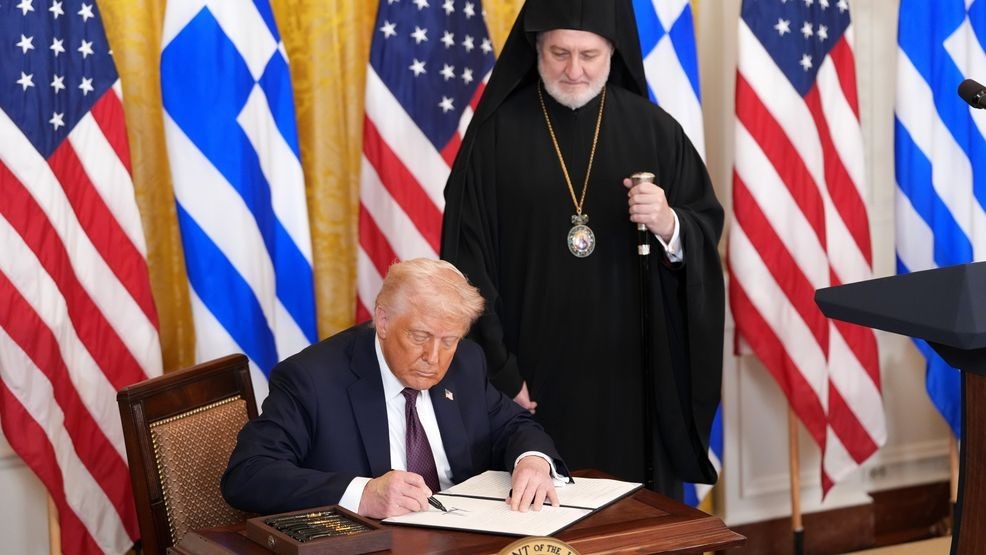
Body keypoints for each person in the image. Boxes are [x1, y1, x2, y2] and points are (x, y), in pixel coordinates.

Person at [440, 0, 724, 499]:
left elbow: (702, 229)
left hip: (633, 382)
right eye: (559, 53)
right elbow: (467, 264)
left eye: (589, 54)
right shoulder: (495, 137)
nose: (574, 70)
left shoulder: (656, 131)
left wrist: (668, 222)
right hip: (529, 378)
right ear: (536, 48)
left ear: (613, 50)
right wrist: (500, 372)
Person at [221, 259, 569, 518]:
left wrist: (532, 462)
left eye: (449, 340)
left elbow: (515, 425)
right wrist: (363, 493)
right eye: (419, 336)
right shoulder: (311, 379)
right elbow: (248, 474)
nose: (433, 357)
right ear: (383, 320)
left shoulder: (466, 362)